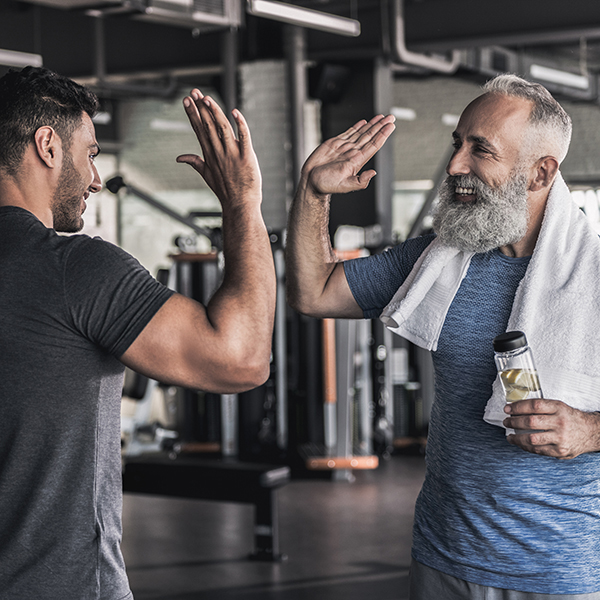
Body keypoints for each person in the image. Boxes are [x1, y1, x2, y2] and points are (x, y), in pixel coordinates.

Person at [286, 73, 600, 599]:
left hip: (557, 573)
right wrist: (314, 193)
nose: (455, 165)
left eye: (482, 150)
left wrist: (590, 431)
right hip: (441, 559)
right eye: (458, 144)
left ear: (541, 172)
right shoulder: (439, 259)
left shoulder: (593, 274)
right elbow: (313, 292)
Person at [0, 66, 275, 599]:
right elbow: (241, 360)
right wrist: (242, 201)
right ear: (48, 145)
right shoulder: (76, 269)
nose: (96, 177)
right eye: (92, 153)